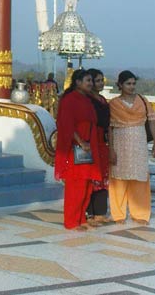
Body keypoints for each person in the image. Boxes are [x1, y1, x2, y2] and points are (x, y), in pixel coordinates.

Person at [109, 70, 155, 225]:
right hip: (120, 143)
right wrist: (111, 148)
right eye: (128, 84)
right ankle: (118, 214)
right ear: (120, 85)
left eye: (133, 83)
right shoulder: (113, 104)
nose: (131, 87)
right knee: (119, 178)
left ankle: (140, 213)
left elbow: (152, 122)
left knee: (139, 176)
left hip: (139, 142)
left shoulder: (143, 101)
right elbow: (109, 128)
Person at [55, 69, 104, 230]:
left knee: (87, 184)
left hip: (90, 146)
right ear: (77, 82)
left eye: (91, 81)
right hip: (77, 148)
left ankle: (81, 217)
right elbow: (67, 125)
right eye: (87, 80)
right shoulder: (70, 100)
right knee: (75, 185)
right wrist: (81, 142)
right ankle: (71, 221)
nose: (90, 84)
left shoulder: (87, 100)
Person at [85, 68, 111, 225]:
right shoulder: (86, 100)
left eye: (102, 80)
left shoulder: (102, 100)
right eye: (97, 80)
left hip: (102, 142)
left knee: (102, 177)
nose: (101, 83)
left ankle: (100, 213)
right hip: (91, 140)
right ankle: (89, 212)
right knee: (90, 176)